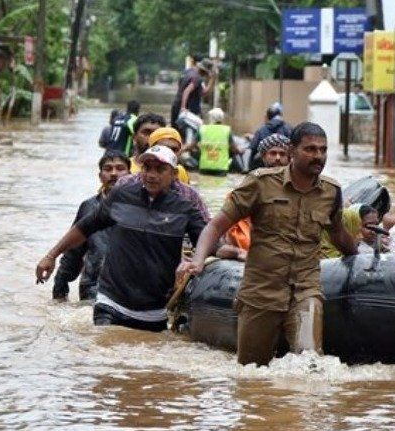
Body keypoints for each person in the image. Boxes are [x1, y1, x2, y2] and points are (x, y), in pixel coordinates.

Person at [178, 122, 358, 365]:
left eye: (323, 150)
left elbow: (338, 234)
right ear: (292, 151)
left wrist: (360, 254)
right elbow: (216, 225)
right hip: (261, 292)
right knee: (252, 371)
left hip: (306, 288)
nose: (318, 156)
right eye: (311, 149)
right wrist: (198, 262)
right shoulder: (260, 183)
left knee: (311, 363)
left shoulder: (331, 191)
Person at [36, 146, 207, 331]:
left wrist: (232, 252)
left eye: (160, 169)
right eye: (147, 168)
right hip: (110, 302)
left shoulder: (185, 209)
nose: (151, 174)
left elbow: (208, 240)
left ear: (174, 174)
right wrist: (51, 256)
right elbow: (85, 227)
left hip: (154, 311)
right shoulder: (121, 196)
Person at [52, 151, 130, 301]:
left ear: (130, 175)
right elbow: (73, 251)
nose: (114, 174)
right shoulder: (89, 207)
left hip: (128, 289)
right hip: (93, 288)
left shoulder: (140, 206)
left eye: (120, 168)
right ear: (100, 176)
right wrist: (60, 287)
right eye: (108, 169)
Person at [217, 133, 292, 261]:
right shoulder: (252, 182)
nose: (278, 158)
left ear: (289, 158)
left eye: (282, 154)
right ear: (264, 156)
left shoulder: (296, 188)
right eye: (273, 153)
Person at [192, 108, 243, 175]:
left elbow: (191, 145)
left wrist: (182, 150)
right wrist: (241, 151)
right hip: (221, 168)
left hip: (205, 167)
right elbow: (234, 149)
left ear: (211, 118)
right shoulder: (227, 130)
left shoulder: (202, 129)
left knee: (204, 184)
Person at [170, 56, 214, 128]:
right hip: (188, 111)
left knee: (176, 133)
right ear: (205, 72)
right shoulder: (197, 78)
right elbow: (186, 91)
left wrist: (211, 80)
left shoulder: (187, 72)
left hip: (176, 106)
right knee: (196, 131)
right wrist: (183, 107)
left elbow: (202, 92)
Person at [249, 102, 293, 170]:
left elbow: (253, 148)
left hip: (264, 168)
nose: (277, 158)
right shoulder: (289, 128)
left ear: (267, 117)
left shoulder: (261, 130)